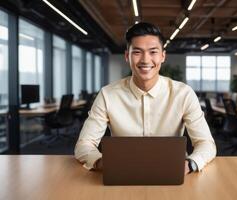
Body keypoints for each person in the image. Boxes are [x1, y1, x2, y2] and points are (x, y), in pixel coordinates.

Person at [74, 22, 216, 175]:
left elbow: (206, 143)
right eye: (137, 52)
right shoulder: (108, 95)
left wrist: (190, 164)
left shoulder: (183, 94)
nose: (145, 60)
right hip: (123, 174)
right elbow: (84, 145)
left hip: (172, 173)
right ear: (127, 56)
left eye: (153, 52)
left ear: (163, 56)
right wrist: (102, 162)